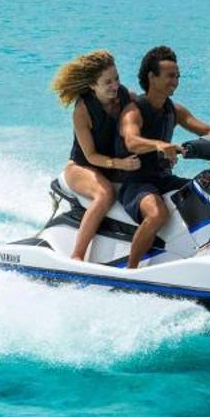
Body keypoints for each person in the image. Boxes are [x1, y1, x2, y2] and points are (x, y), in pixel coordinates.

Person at [117, 45, 210, 269]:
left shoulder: (174, 110)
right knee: (157, 214)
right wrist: (159, 145)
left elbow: (206, 129)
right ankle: (131, 270)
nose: (175, 81)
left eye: (177, 76)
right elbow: (131, 141)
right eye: (170, 76)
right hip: (137, 182)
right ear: (152, 77)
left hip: (163, 179)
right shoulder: (134, 110)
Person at [49, 49, 142, 263]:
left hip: (111, 167)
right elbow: (90, 155)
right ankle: (77, 256)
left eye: (116, 79)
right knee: (105, 194)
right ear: (93, 85)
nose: (115, 85)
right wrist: (119, 163)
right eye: (107, 82)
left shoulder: (125, 96)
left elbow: (144, 116)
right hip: (81, 167)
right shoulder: (82, 111)